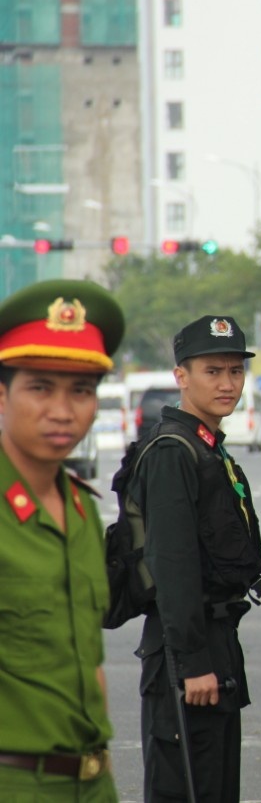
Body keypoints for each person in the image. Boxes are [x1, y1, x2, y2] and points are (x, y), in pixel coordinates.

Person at [133, 315, 261, 802]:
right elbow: (172, 564)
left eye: (235, 371)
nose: (227, 383)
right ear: (182, 376)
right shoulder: (174, 451)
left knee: (215, 787)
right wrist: (192, 663)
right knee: (188, 790)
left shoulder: (207, 447)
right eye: (213, 371)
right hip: (184, 652)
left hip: (215, 640)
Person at [0, 280, 123, 801]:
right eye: (40, 387)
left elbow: (88, 660)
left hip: (92, 782)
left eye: (81, 391)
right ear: (2, 394)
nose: (62, 410)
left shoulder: (80, 509)